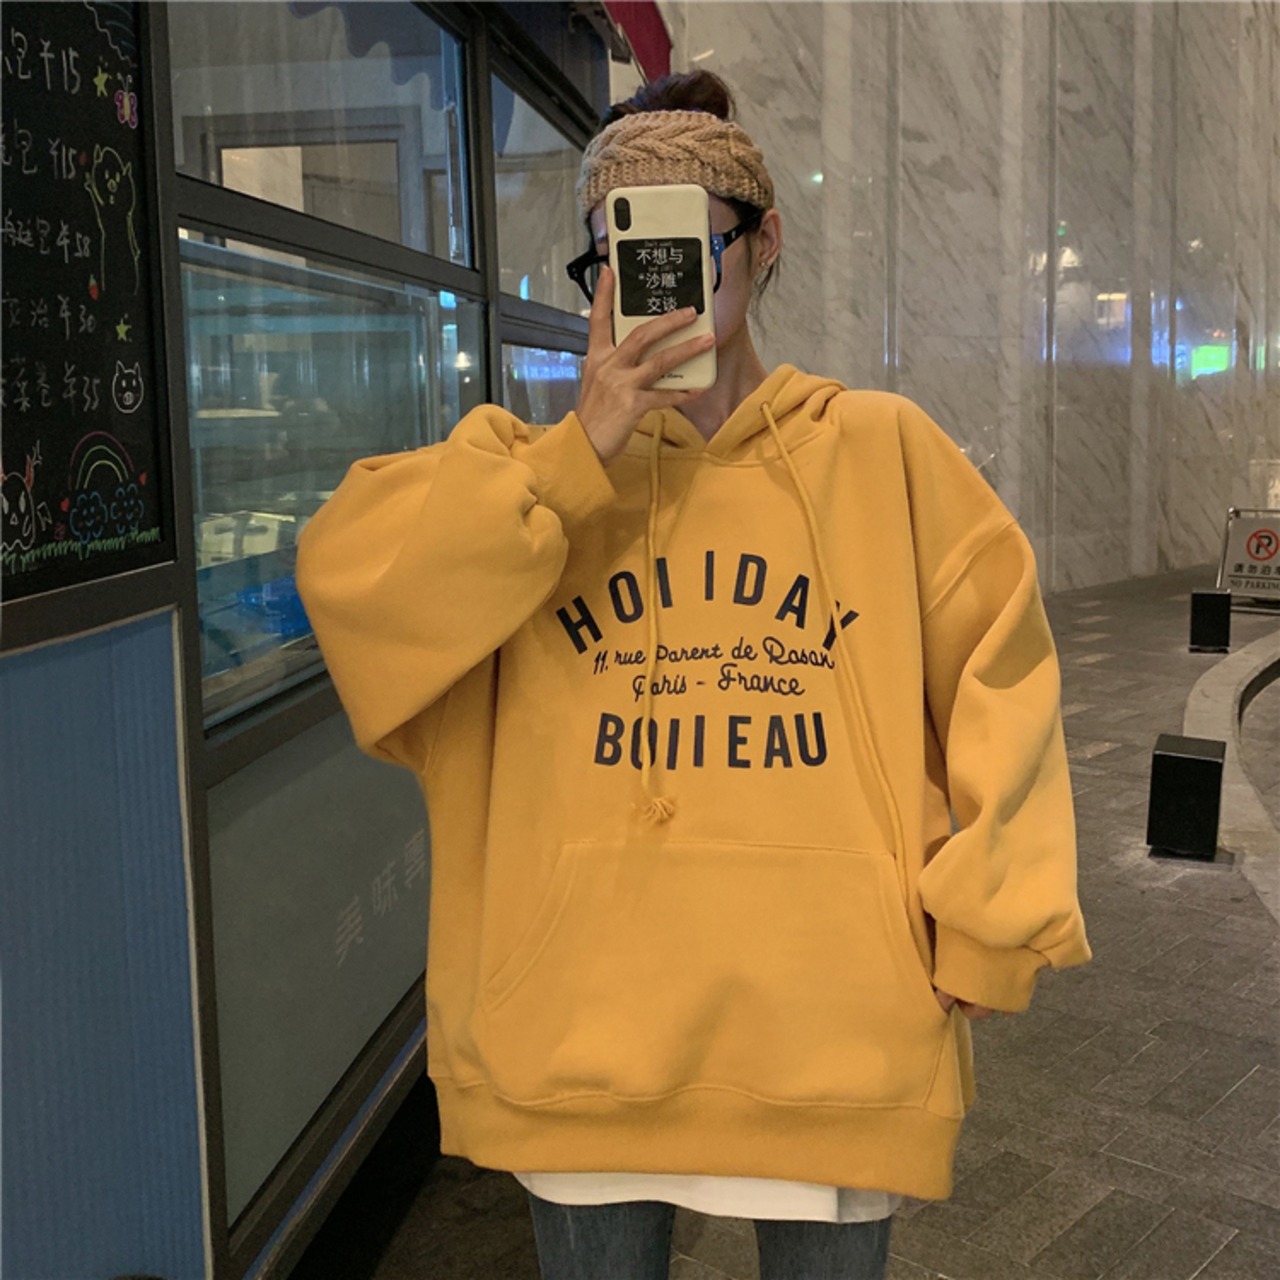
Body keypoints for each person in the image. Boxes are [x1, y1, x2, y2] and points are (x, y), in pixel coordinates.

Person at [294, 70, 1092, 1280]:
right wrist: (578, 455)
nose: (656, 282)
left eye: (687, 243)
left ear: (762, 243)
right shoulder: (523, 481)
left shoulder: (881, 452)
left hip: (836, 1040)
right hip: (579, 1046)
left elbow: (1005, 675)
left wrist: (988, 925)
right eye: (623, 252)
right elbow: (356, 589)